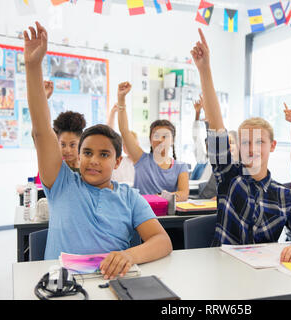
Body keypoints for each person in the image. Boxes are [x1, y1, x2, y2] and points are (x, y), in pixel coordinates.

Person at [24, 21, 172, 279]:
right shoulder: (61, 183)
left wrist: (130, 255)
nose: (93, 160)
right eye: (88, 152)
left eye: (104, 155)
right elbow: (41, 131)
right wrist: (33, 67)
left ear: (117, 162)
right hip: (63, 286)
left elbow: (162, 241)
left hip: (112, 283)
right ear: (78, 155)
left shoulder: (129, 197)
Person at [191, 28, 291, 262]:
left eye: (259, 141)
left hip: (262, 269)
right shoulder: (229, 176)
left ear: (272, 146)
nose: (252, 148)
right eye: (245, 142)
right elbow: (217, 129)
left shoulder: (286, 195)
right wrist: (205, 70)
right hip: (223, 267)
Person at [116, 82, 189, 201]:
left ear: (173, 140)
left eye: (165, 136)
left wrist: (158, 198)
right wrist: (121, 99)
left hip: (168, 215)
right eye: (156, 136)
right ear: (150, 140)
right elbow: (124, 130)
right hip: (142, 214)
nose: (160, 140)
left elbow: (183, 194)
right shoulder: (141, 159)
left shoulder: (180, 167)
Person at [107, 104, 136, 185]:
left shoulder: (144, 164)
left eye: (132, 143)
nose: (129, 147)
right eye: (125, 144)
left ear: (137, 144)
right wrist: (113, 113)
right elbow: (109, 136)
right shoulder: (118, 161)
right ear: (123, 147)